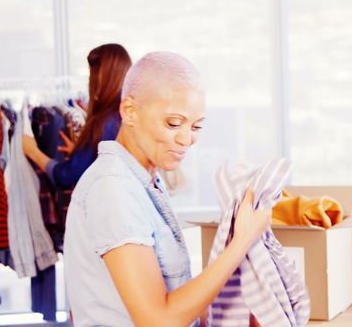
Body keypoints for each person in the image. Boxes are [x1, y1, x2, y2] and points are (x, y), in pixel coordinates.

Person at [63, 52, 271, 326]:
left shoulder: (146, 181)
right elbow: (157, 321)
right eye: (173, 123)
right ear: (130, 111)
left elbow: (172, 299)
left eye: (196, 126)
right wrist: (242, 240)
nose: (186, 139)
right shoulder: (113, 189)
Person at [23, 43, 132, 188]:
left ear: (101, 78)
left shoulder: (103, 123)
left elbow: (66, 176)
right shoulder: (127, 116)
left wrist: (32, 151)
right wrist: (84, 154)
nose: (90, 82)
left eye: (91, 76)